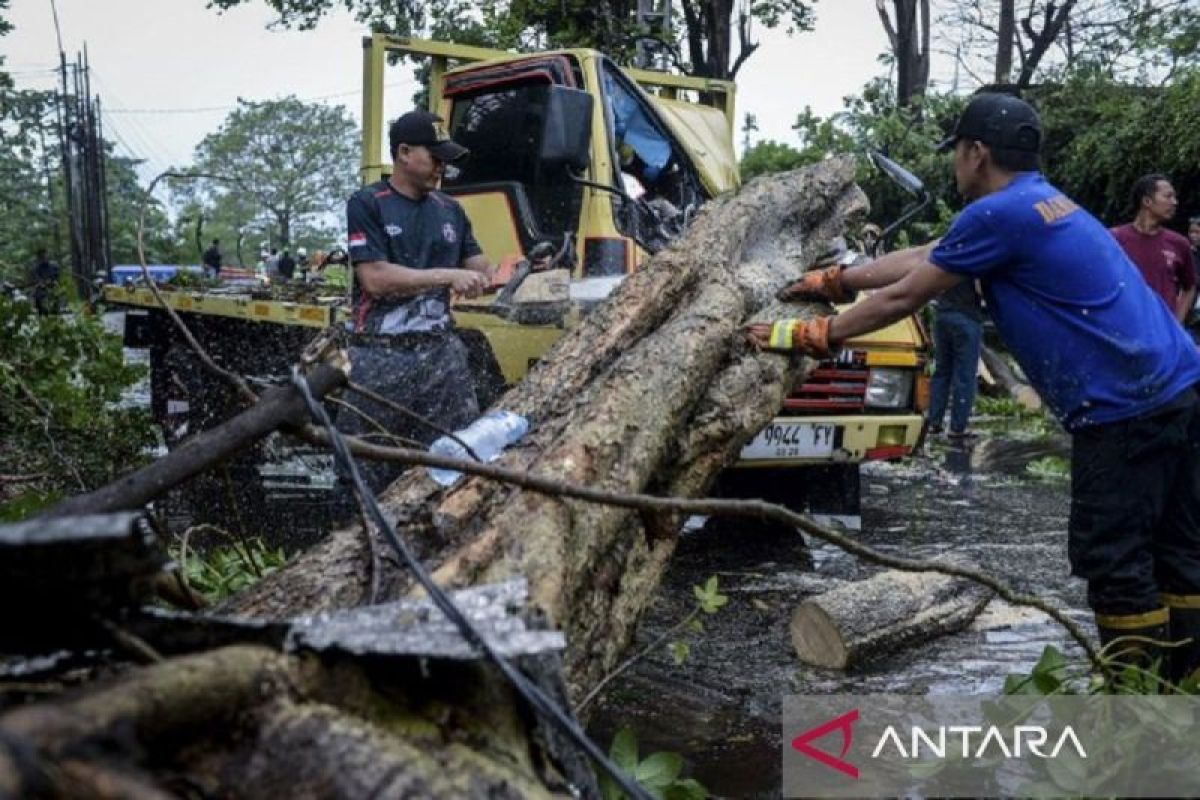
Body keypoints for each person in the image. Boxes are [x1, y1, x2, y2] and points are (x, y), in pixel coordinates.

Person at [752, 92, 1200, 682]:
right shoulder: (1043, 203)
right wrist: (838, 280)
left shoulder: (998, 214)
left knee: (1117, 564)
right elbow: (927, 255)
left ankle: (1137, 706)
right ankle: (1183, 698)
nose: (956, 164)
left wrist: (811, 333)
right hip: (1181, 392)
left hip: (1123, 413)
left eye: (958, 152)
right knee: (1180, 554)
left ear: (977, 152)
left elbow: (907, 295)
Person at [340, 109, 492, 492]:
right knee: (365, 467)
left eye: (445, 159)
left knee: (458, 458)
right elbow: (374, 279)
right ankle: (360, 541)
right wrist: (448, 276)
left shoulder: (450, 210)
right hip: (379, 357)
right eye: (435, 157)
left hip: (441, 356)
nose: (442, 166)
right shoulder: (369, 202)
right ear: (404, 152)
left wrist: (506, 269)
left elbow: (477, 263)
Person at [1110, 175, 1196, 323]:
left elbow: (1189, 286)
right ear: (1147, 201)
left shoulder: (1179, 243)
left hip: (1161, 335)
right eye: (1168, 196)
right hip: (1121, 328)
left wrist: (1176, 325)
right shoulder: (1114, 238)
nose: (1175, 202)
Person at [925, 280, 984, 442]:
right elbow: (980, 289)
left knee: (942, 371)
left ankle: (933, 422)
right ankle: (957, 428)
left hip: (943, 316)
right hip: (966, 317)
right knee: (965, 375)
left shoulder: (948, 254)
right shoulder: (977, 258)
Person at [30, 248, 61, 315]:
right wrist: (42, 283)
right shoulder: (37, 268)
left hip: (52, 287)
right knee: (38, 296)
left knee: (55, 296)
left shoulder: (54, 266)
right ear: (39, 258)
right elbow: (36, 278)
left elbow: (57, 276)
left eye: (45, 255)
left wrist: (53, 281)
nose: (44, 257)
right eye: (42, 256)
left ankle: (55, 312)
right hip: (42, 289)